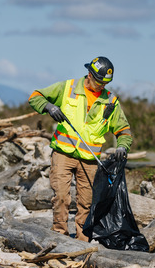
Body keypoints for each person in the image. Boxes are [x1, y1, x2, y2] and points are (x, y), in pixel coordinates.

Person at [28, 57, 132, 241]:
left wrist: (122, 147)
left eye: (105, 83)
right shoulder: (67, 88)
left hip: (90, 160)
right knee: (61, 196)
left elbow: (123, 130)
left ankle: (82, 241)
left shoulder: (110, 101)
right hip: (63, 153)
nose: (101, 86)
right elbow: (35, 97)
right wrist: (49, 106)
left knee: (87, 202)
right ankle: (59, 236)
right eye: (99, 82)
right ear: (89, 75)